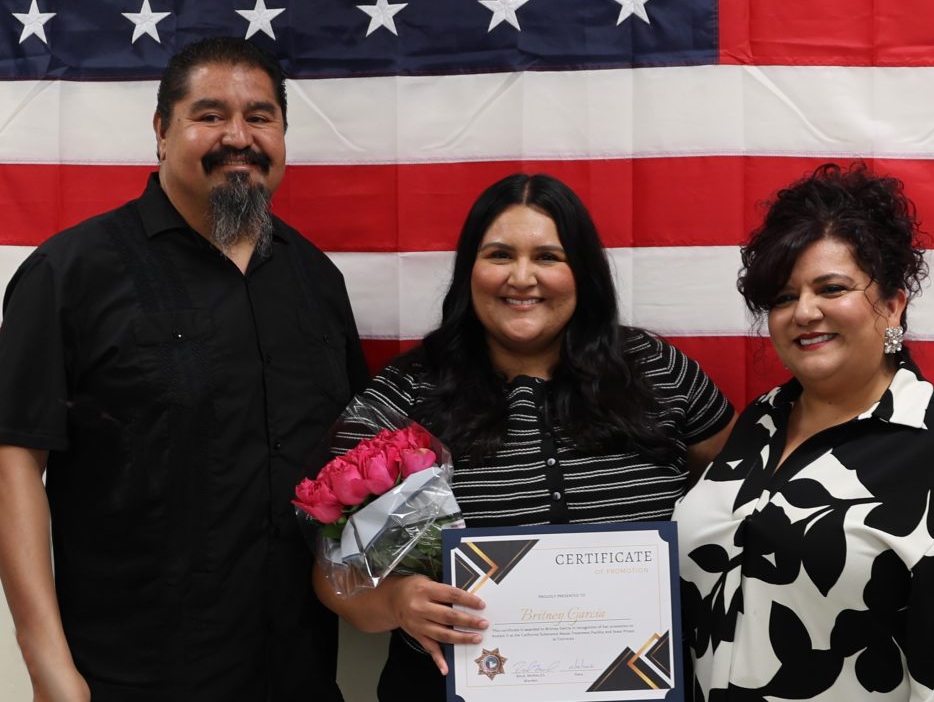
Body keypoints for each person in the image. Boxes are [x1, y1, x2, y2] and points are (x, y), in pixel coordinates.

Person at [0, 37, 369, 701]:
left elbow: (351, 471)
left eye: (260, 117)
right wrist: (47, 665)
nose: (238, 137)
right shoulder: (70, 274)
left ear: (283, 135)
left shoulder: (317, 281)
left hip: (299, 674)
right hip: (128, 677)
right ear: (162, 133)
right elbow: (14, 462)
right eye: (209, 115)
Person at [315, 172, 737, 701]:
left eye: (547, 257)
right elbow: (332, 574)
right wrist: (398, 602)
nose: (521, 277)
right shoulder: (405, 393)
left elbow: (736, 495)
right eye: (498, 255)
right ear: (469, 269)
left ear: (583, 271)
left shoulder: (656, 371)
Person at [674, 163, 934, 700]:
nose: (804, 312)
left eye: (830, 288)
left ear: (891, 305)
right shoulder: (761, 422)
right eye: (784, 297)